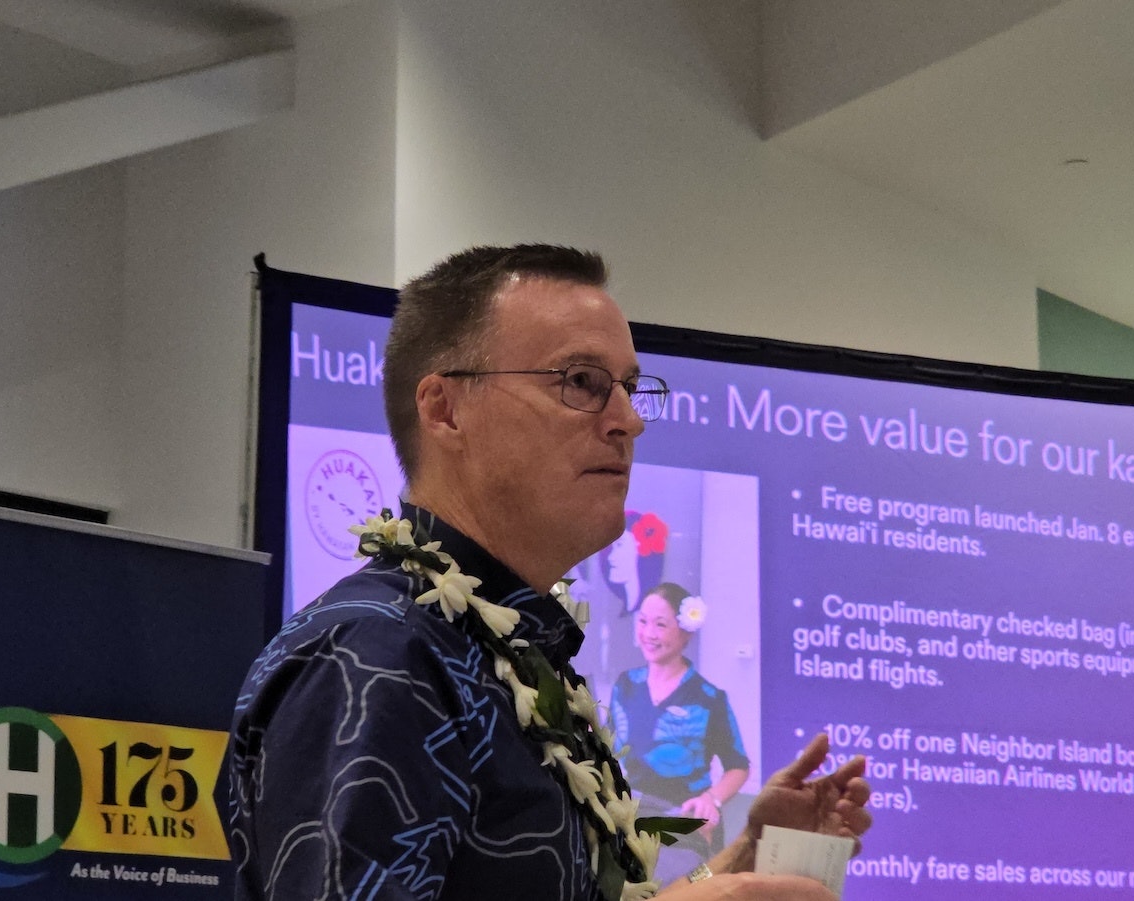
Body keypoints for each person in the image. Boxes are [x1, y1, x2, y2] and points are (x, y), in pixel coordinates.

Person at [228, 244, 871, 901]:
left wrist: (736, 861)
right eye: (581, 382)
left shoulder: (511, 653)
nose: (629, 420)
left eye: (627, 386)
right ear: (446, 409)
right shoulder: (376, 655)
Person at [611, 582, 749, 884]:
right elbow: (609, 748)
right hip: (630, 818)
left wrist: (711, 800)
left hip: (685, 821)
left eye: (660, 624)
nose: (649, 633)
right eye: (643, 621)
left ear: (685, 631)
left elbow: (738, 766)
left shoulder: (709, 698)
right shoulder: (626, 686)